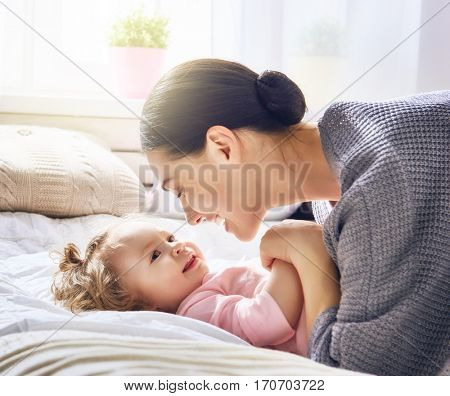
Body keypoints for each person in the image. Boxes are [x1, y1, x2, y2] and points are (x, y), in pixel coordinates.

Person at [140, 58, 450, 375]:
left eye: (181, 190)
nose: (191, 218)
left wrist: (308, 251)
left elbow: (357, 378)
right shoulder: (343, 162)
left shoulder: (377, 188)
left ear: (223, 148)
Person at [50, 214, 339, 357]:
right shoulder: (196, 309)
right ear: (143, 305)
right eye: (155, 255)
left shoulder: (206, 281)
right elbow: (266, 320)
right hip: (324, 325)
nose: (176, 248)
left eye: (170, 239)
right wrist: (287, 258)